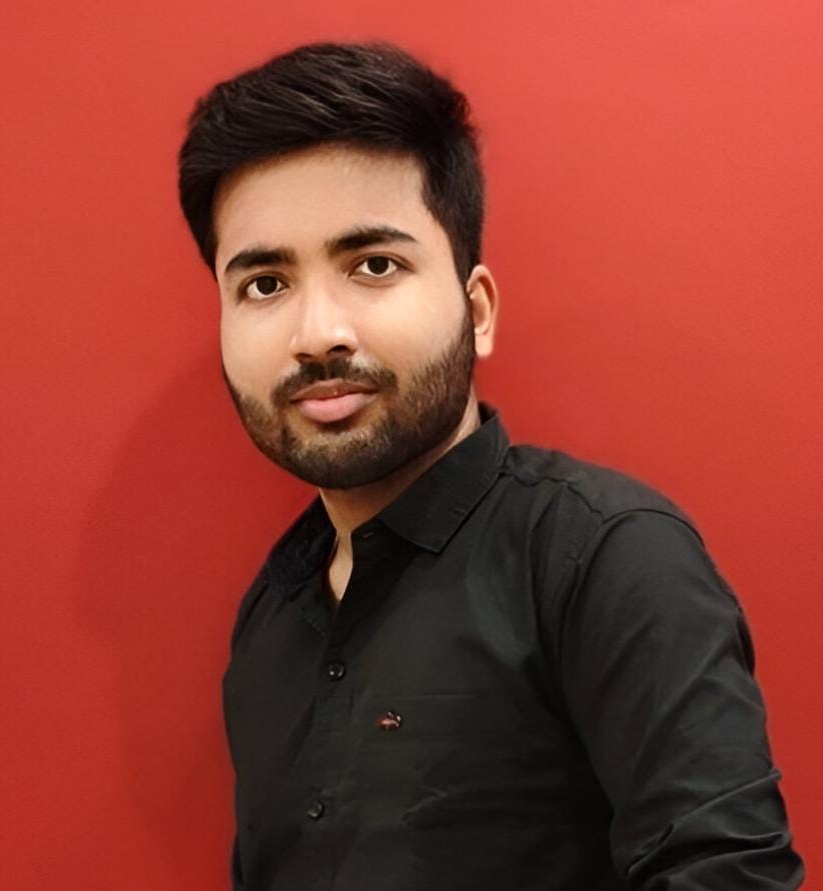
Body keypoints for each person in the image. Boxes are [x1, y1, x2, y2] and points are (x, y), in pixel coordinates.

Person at [177, 41, 804, 890]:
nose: (317, 333)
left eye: (374, 265)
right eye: (263, 284)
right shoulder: (271, 614)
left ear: (476, 311)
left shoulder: (603, 557)